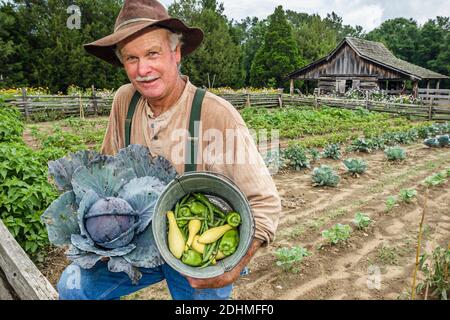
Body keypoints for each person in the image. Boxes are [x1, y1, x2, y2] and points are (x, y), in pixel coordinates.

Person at [57, 0, 281, 300]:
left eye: (152, 53)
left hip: (195, 250)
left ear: (176, 53)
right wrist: (100, 235)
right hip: (134, 242)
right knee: (73, 288)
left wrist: (234, 266)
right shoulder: (125, 101)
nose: (142, 69)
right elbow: (106, 172)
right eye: (131, 58)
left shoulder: (216, 115)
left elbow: (265, 204)